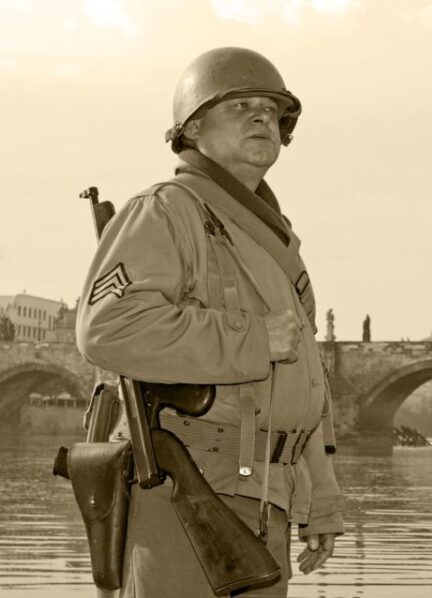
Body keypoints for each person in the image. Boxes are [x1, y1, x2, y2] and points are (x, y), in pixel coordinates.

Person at [76, 47, 343, 597]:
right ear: (193, 128)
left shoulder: (275, 241)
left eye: (271, 110)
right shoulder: (166, 210)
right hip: (186, 488)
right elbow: (108, 327)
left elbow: (303, 383)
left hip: (267, 498)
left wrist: (321, 495)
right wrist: (252, 339)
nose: (261, 117)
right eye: (240, 106)